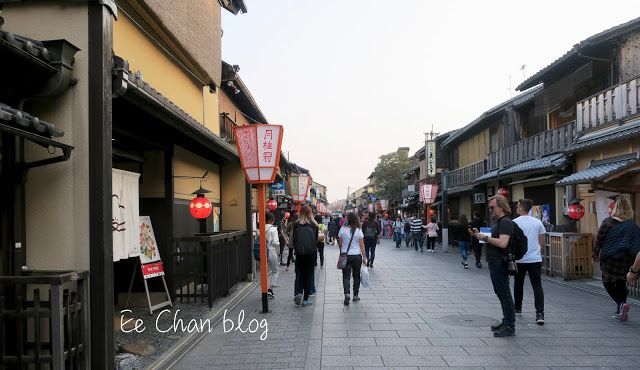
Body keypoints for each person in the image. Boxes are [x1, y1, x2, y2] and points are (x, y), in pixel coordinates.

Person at [471, 195, 516, 337]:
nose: (490, 210)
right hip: (494, 261)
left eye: (492, 207)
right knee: (500, 292)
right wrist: (480, 235)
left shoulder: (506, 222)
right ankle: (506, 321)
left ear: (501, 207)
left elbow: (503, 243)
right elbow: (494, 240)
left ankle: (510, 325)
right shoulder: (497, 222)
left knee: (504, 293)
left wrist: (484, 238)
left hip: (500, 262)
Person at [593, 196, 640, 321]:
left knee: (607, 281)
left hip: (610, 258)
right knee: (621, 282)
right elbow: (636, 243)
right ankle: (621, 307)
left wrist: (595, 255)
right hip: (627, 260)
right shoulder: (632, 225)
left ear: (616, 208)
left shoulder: (608, 222)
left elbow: (599, 240)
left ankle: (620, 305)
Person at [512, 199, 546, 325]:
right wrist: (538, 253)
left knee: (518, 283)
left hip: (520, 259)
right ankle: (540, 313)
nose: (516, 208)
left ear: (521, 208)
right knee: (537, 285)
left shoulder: (514, 223)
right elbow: (541, 241)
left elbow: (513, 242)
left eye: (517, 206)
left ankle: (517, 309)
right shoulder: (538, 222)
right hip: (535, 258)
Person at [337, 212, 368, 305]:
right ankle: (355, 295)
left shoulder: (342, 229)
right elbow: (362, 245)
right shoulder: (358, 230)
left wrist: (343, 251)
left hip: (346, 255)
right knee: (356, 276)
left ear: (348, 219)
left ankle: (347, 293)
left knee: (346, 276)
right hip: (356, 256)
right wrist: (364, 257)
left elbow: (340, 242)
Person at [291, 206, 318, 306]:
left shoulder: (296, 224)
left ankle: (298, 293)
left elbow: (294, 239)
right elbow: (315, 240)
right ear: (310, 213)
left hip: (299, 254)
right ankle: (306, 299)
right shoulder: (313, 224)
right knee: (308, 276)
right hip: (310, 254)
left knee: (299, 274)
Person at [264, 212, 280, 299]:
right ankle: (270, 289)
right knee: (275, 270)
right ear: (271, 220)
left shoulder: (261, 227)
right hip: (271, 250)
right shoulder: (273, 229)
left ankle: (264, 289)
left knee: (264, 271)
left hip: (262, 251)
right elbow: (275, 242)